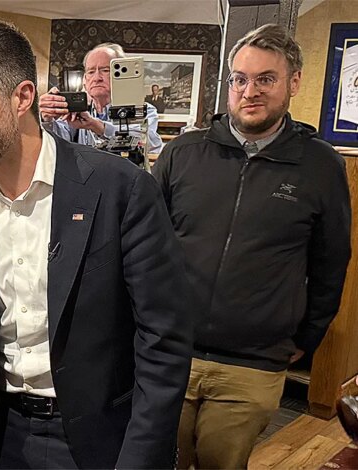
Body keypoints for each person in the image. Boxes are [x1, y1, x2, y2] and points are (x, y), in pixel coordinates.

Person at [0, 19, 194, 469]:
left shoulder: (121, 190)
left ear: (22, 97)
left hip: (102, 441)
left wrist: (140, 458)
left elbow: (164, 341)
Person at [152, 24, 352, 469]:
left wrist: (303, 337)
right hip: (169, 354)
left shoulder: (321, 166)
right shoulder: (182, 153)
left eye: (266, 79)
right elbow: (143, 247)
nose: (250, 91)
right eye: (240, 79)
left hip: (252, 365)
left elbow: (331, 263)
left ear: (293, 83)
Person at [39, 43, 163, 154]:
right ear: (85, 80)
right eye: (91, 71)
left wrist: (98, 127)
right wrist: (48, 120)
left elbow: (150, 143)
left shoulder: (142, 109)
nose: (97, 78)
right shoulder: (77, 108)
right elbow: (59, 142)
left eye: (105, 70)